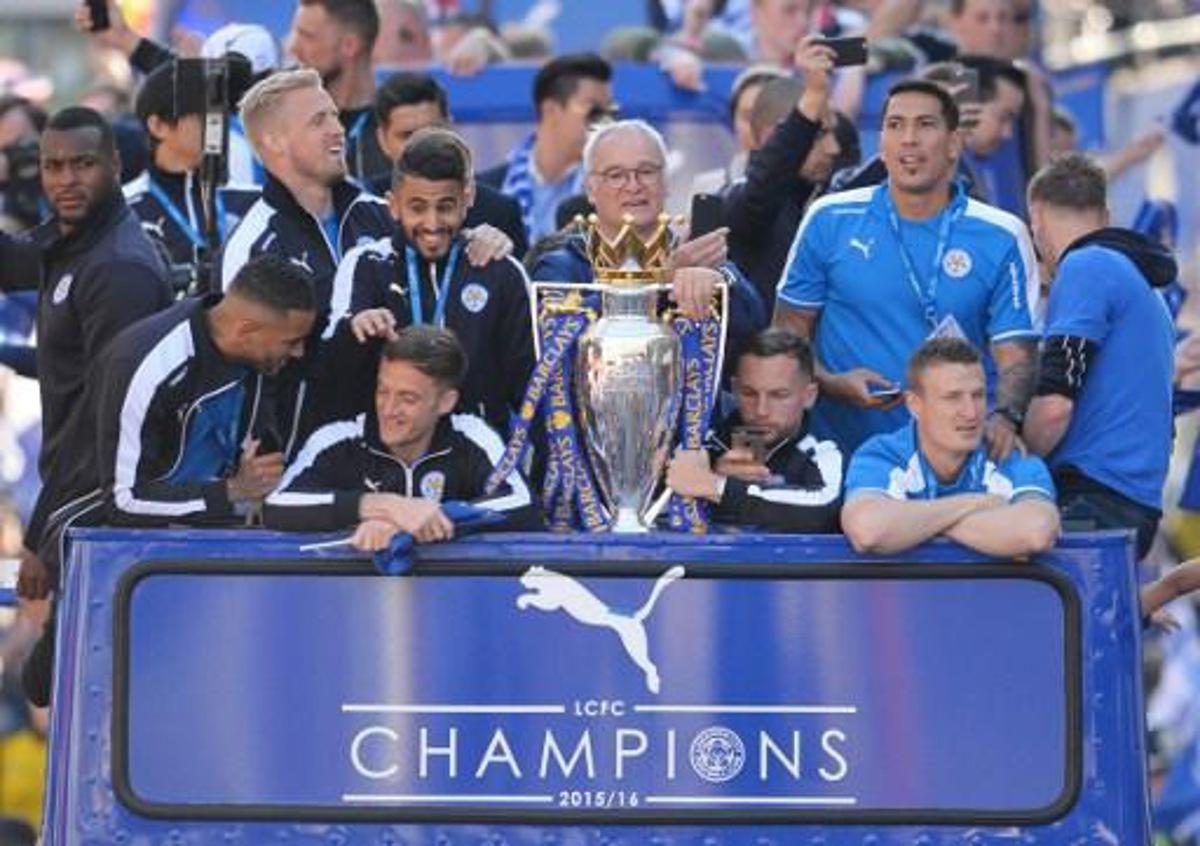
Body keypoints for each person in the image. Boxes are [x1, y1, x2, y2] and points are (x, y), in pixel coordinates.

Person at [20, 253, 314, 708]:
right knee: (62, 690)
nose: (298, 353)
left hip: (199, 540)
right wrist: (229, 492)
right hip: (108, 544)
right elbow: (123, 501)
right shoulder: (147, 361)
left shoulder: (258, 361)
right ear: (246, 330)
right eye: (292, 342)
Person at [774, 79, 1039, 457]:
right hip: (841, 455)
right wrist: (831, 383)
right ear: (881, 143)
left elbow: (1016, 356)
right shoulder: (829, 218)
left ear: (953, 144)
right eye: (895, 125)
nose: (909, 139)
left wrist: (1004, 418)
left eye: (925, 125)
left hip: (951, 462)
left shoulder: (1001, 235)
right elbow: (788, 333)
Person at [6, 107, 172, 601]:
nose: (66, 180)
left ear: (114, 165)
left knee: (70, 651)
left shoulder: (119, 269)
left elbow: (105, 419)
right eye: (53, 167)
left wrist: (42, 533)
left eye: (83, 164)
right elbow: (11, 261)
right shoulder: (72, 238)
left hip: (104, 521)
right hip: (80, 511)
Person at [218, 69, 392, 455]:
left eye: (335, 116)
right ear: (273, 141)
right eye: (318, 121)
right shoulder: (253, 245)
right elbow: (243, 373)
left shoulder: (381, 216)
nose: (338, 130)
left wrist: (481, 241)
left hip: (397, 454)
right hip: (305, 462)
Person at [1022, 153, 1175, 561]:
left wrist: (1012, 459)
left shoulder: (1085, 267)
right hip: (1133, 499)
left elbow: (1055, 406)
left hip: (1092, 496)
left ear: (1036, 217)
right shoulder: (1143, 286)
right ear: (1105, 215)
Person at [528, 119, 766, 382]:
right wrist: (660, 284)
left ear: (665, 182)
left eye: (646, 171)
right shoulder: (562, 265)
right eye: (616, 175)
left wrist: (720, 283)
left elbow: (756, 329)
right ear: (590, 189)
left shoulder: (692, 254)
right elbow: (556, 352)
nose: (633, 185)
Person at [334, 128, 534, 437]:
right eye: (417, 207)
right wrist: (354, 333)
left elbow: (530, 389)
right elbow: (331, 374)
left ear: (468, 198)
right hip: (385, 454)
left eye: (445, 207)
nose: (432, 223)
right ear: (393, 205)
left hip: (478, 455)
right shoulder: (365, 265)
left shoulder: (500, 271)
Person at [264, 325, 538, 546]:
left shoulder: (472, 435)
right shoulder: (337, 439)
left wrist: (431, 519)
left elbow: (523, 504)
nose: (388, 409)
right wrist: (383, 507)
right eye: (383, 392)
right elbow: (278, 505)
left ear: (446, 402)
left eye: (408, 398)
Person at [842, 337, 1060, 556]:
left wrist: (915, 526)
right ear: (915, 404)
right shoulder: (883, 454)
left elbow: (1037, 532)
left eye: (978, 395)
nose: (971, 412)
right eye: (952, 397)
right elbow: (867, 531)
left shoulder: (1007, 454)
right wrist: (975, 504)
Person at [666, 328, 842, 532]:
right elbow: (654, 500)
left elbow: (825, 509)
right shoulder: (701, 440)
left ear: (809, 395)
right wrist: (713, 474)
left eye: (779, 395)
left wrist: (716, 487)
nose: (761, 410)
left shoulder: (822, 451)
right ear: (734, 389)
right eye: (749, 393)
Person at [722, 40, 844, 309]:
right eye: (820, 135)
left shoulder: (822, 197)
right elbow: (766, 182)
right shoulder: (743, 202)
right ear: (774, 135)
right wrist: (812, 97)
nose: (833, 148)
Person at [123, 60, 260, 286]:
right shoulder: (125, 212)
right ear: (158, 126)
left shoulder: (254, 202)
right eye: (206, 116)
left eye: (223, 114)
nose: (220, 126)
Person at [364, 72, 527, 256]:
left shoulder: (499, 212)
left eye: (432, 131)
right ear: (382, 140)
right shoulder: (362, 208)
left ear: (450, 128)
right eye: (407, 135)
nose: (422, 144)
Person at [477, 53, 615, 243]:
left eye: (611, 113)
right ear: (551, 110)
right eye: (595, 111)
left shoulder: (611, 193)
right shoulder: (486, 190)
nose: (606, 122)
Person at [288, 0, 391, 181]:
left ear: (349, 46)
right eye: (296, 34)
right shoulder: (283, 118)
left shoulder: (395, 130)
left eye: (307, 36)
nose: (293, 48)